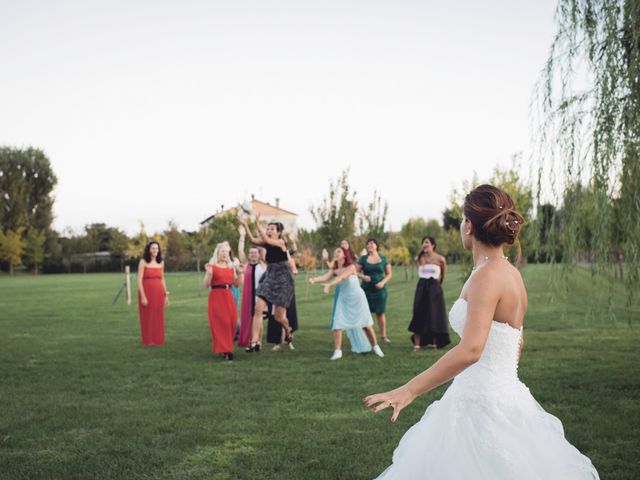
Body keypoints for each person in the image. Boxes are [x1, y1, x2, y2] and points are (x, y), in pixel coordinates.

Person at [363, 184, 599, 479]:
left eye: (462, 220)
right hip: (505, 393)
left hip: (481, 403)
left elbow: (472, 349)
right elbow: (517, 341)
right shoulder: (510, 273)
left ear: (469, 226)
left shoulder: (487, 276)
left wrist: (408, 390)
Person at [310, 247, 384, 360]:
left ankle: (376, 347)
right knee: (337, 325)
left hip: (357, 299)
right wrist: (314, 280)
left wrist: (330, 285)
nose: (336, 253)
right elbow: (325, 277)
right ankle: (337, 351)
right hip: (344, 299)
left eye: (338, 251)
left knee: (366, 325)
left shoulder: (351, 267)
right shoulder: (334, 269)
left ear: (345, 255)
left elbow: (342, 277)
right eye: (334, 252)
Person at [239, 213, 295, 351]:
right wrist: (245, 225)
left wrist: (257, 223)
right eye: (268, 228)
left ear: (279, 232)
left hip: (283, 279)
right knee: (258, 308)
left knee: (278, 317)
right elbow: (252, 239)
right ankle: (254, 342)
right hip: (270, 276)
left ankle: (288, 330)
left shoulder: (281, 243)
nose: (269, 231)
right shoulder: (266, 242)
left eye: (272, 229)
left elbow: (268, 241)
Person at [203, 242, 243, 361]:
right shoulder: (212, 266)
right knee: (222, 323)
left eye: (227, 252)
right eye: (223, 252)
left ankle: (223, 348)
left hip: (228, 296)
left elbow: (236, 284)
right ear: (218, 253)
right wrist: (209, 274)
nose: (225, 254)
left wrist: (240, 273)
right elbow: (205, 285)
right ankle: (227, 351)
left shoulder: (231, 267)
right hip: (216, 297)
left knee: (231, 324)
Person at [408, 236, 450, 350]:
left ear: (433, 245)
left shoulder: (440, 259)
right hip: (421, 288)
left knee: (434, 314)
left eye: (426, 242)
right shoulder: (419, 259)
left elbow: (443, 275)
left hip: (434, 288)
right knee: (418, 312)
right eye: (423, 243)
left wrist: (438, 286)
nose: (424, 244)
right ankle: (417, 344)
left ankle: (435, 343)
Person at [356, 238, 392, 342]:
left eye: (372, 243)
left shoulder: (384, 259)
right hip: (366, 290)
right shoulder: (362, 259)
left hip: (380, 290)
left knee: (380, 312)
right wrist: (363, 277)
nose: (369, 245)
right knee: (364, 313)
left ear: (376, 246)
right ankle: (363, 335)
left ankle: (384, 336)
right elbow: (355, 272)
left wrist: (382, 282)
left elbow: (389, 274)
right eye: (368, 244)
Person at [237, 228, 266, 349]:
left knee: (258, 319)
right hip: (248, 295)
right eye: (251, 253)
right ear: (249, 255)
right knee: (248, 319)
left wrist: (261, 233)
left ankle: (258, 342)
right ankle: (250, 341)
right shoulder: (246, 264)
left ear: (258, 254)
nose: (253, 254)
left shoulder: (263, 264)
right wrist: (242, 236)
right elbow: (240, 250)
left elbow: (264, 247)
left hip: (259, 295)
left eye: (255, 253)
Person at [137, 241, 168, 346]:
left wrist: (166, 294)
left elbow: (163, 279)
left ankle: (158, 339)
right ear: (149, 250)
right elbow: (139, 279)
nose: (155, 250)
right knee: (148, 316)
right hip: (147, 291)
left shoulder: (161, 262)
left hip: (158, 292)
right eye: (153, 248)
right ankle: (148, 340)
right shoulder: (143, 262)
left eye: (157, 248)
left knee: (158, 315)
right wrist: (143, 296)